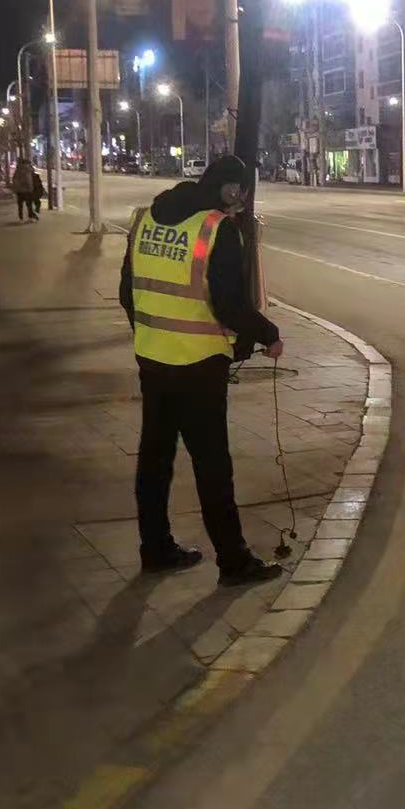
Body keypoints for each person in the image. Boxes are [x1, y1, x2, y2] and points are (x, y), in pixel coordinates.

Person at [118, 155, 285, 581]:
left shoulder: (144, 220)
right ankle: (233, 561)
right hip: (199, 365)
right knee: (212, 466)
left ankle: (155, 548)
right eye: (241, 192)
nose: (241, 200)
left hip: (152, 359)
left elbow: (127, 293)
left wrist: (150, 334)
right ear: (230, 189)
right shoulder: (216, 229)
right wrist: (268, 334)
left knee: (154, 459)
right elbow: (229, 305)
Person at [12, 157, 41, 221]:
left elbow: (14, 180)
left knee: (20, 205)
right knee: (29, 204)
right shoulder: (28, 170)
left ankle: (21, 217)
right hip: (27, 190)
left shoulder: (18, 170)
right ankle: (30, 216)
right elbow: (29, 180)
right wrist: (31, 188)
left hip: (19, 191)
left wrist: (15, 189)